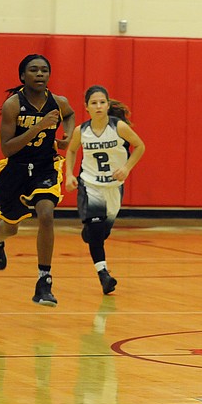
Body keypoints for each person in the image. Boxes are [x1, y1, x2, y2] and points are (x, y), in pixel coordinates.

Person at [0, 54, 76, 307]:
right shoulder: (13, 105)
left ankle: (44, 281)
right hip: (15, 170)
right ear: (22, 76)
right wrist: (38, 128)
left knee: (46, 214)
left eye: (44, 70)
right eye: (34, 70)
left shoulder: (58, 103)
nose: (40, 74)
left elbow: (69, 115)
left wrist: (67, 134)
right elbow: (7, 149)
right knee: (11, 227)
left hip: (44, 168)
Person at [65, 86, 146, 294]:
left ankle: (91, 233)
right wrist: (70, 175)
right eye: (94, 103)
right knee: (95, 229)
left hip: (113, 187)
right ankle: (104, 275)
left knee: (101, 232)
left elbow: (140, 146)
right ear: (86, 108)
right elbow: (72, 150)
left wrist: (127, 168)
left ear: (108, 105)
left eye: (102, 102)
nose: (98, 106)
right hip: (90, 184)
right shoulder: (81, 131)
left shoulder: (118, 127)